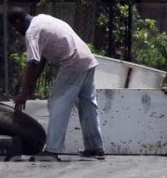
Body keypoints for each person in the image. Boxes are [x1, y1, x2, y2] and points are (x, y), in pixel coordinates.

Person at [9, 10, 104, 160]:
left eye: (15, 28)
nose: (17, 32)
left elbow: (33, 63)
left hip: (73, 63)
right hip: (88, 59)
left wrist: (23, 93)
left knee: (58, 103)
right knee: (88, 104)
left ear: (17, 21)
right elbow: (42, 59)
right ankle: (94, 147)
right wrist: (31, 83)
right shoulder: (43, 19)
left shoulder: (32, 32)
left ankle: (52, 150)